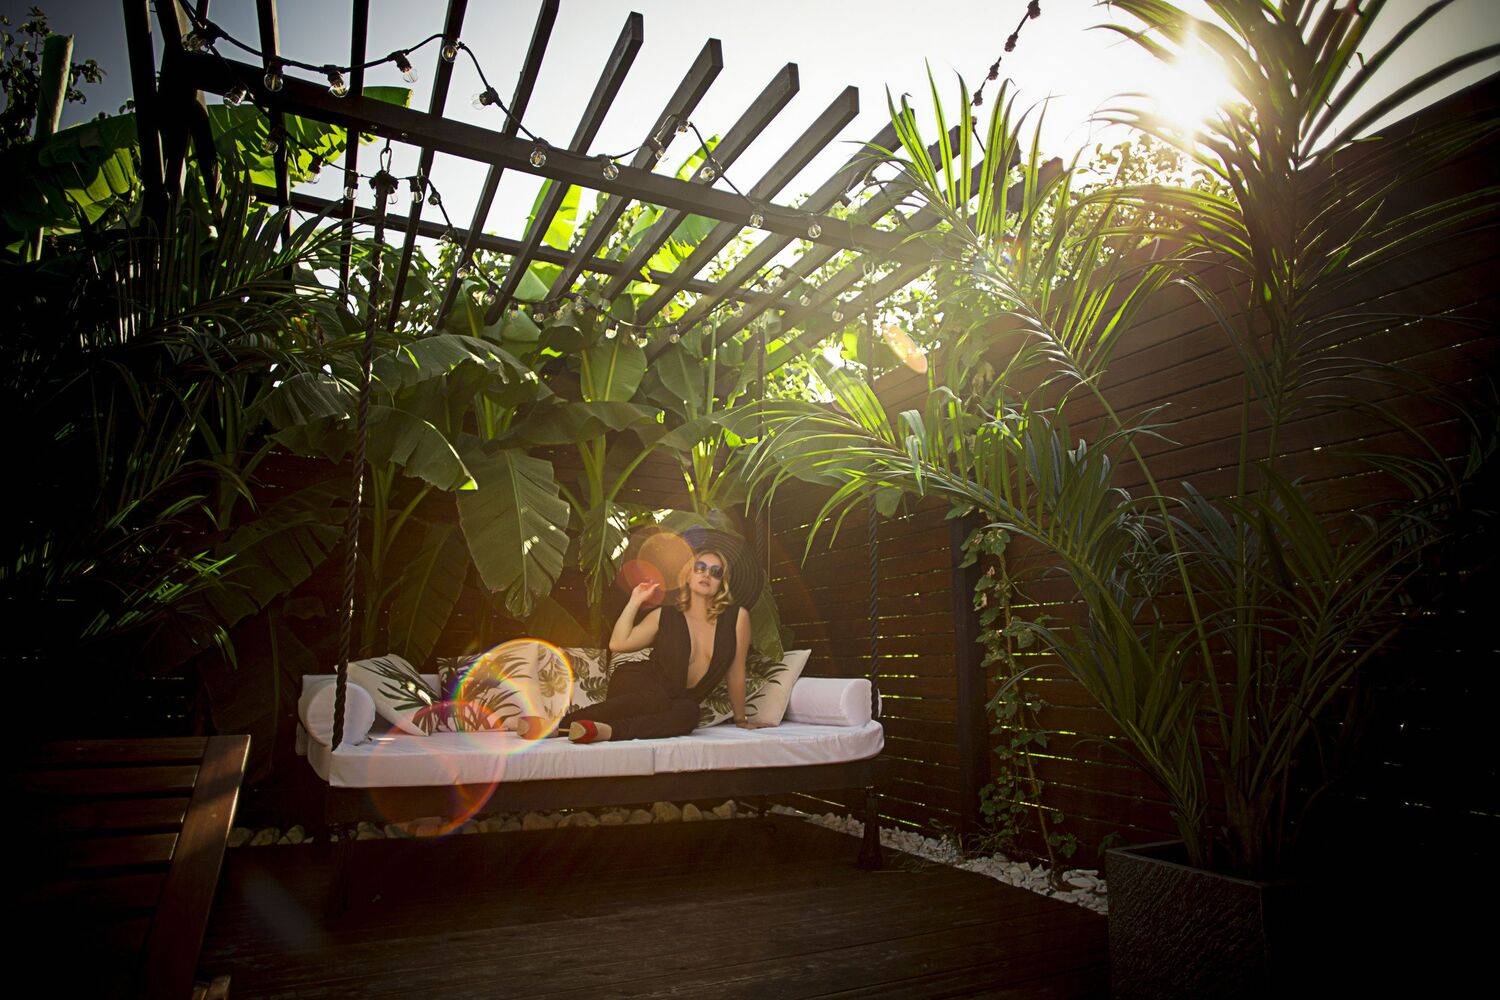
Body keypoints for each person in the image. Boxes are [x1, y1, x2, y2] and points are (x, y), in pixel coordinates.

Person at [507, 548, 773, 743]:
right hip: (639, 682)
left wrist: (741, 720)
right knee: (657, 698)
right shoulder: (665, 615)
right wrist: (635, 600)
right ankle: (558, 725)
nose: (707, 574)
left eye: (715, 572)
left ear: (721, 582)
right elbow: (618, 643)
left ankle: (605, 731)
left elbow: (736, 672)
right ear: (688, 576)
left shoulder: (737, 618)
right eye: (700, 567)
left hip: (676, 702)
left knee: (689, 713)